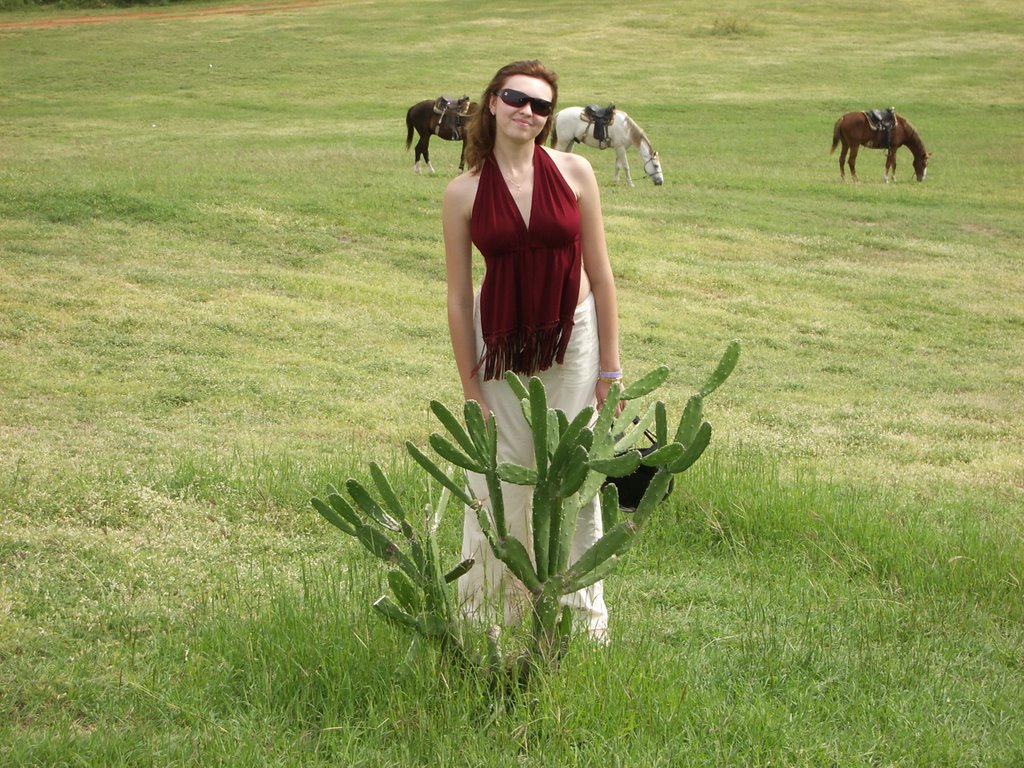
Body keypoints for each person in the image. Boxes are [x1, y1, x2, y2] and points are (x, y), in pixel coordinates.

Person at [442, 60, 623, 640]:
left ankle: (579, 618)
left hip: (574, 339)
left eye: (542, 105)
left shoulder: (575, 172)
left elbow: (602, 271)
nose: (528, 111)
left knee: (572, 474)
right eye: (517, 98)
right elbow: (454, 295)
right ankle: (488, 616)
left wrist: (611, 367)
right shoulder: (462, 192)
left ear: (549, 119)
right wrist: (471, 391)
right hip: (500, 346)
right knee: (500, 477)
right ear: (492, 102)